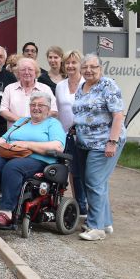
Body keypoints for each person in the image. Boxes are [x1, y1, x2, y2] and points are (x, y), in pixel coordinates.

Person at [0, 91, 66, 229]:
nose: (36, 108)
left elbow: (58, 146)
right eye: (33, 104)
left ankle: (6, 213)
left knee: (13, 167)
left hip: (38, 160)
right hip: (12, 155)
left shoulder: (53, 124)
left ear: (48, 108)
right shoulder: (22, 121)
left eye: (40, 105)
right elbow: (5, 139)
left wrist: (28, 144)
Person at [73, 54, 126, 242]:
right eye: (85, 67)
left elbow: (118, 116)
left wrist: (112, 141)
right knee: (98, 183)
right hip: (84, 143)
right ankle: (105, 222)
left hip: (104, 142)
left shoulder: (107, 85)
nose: (88, 70)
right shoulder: (82, 87)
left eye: (93, 67)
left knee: (93, 181)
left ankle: (96, 228)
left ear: (100, 68)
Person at [55, 49, 86, 213]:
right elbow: (59, 111)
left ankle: (82, 206)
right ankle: (61, 204)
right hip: (64, 134)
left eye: (74, 62)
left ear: (80, 64)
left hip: (82, 134)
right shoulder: (60, 86)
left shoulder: (86, 84)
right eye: (67, 62)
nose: (70, 65)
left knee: (79, 172)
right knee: (63, 171)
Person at [0, 57, 57, 128]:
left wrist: (35, 121)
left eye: (30, 69)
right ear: (18, 73)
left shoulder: (45, 89)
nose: (26, 72)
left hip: (39, 130)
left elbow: (54, 111)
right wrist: (21, 121)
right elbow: (3, 110)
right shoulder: (9, 88)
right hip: (15, 132)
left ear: (36, 72)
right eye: (23, 70)